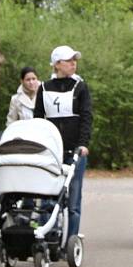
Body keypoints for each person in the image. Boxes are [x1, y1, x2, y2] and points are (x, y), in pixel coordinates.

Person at [33, 45, 92, 237]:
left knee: (73, 201)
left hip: (74, 151)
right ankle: (47, 237)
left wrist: (83, 144)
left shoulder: (80, 87)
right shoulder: (44, 88)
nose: (73, 63)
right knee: (48, 198)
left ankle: (71, 240)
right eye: (69, 60)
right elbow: (39, 119)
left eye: (75, 60)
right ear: (57, 64)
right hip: (51, 152)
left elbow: (86, 117)